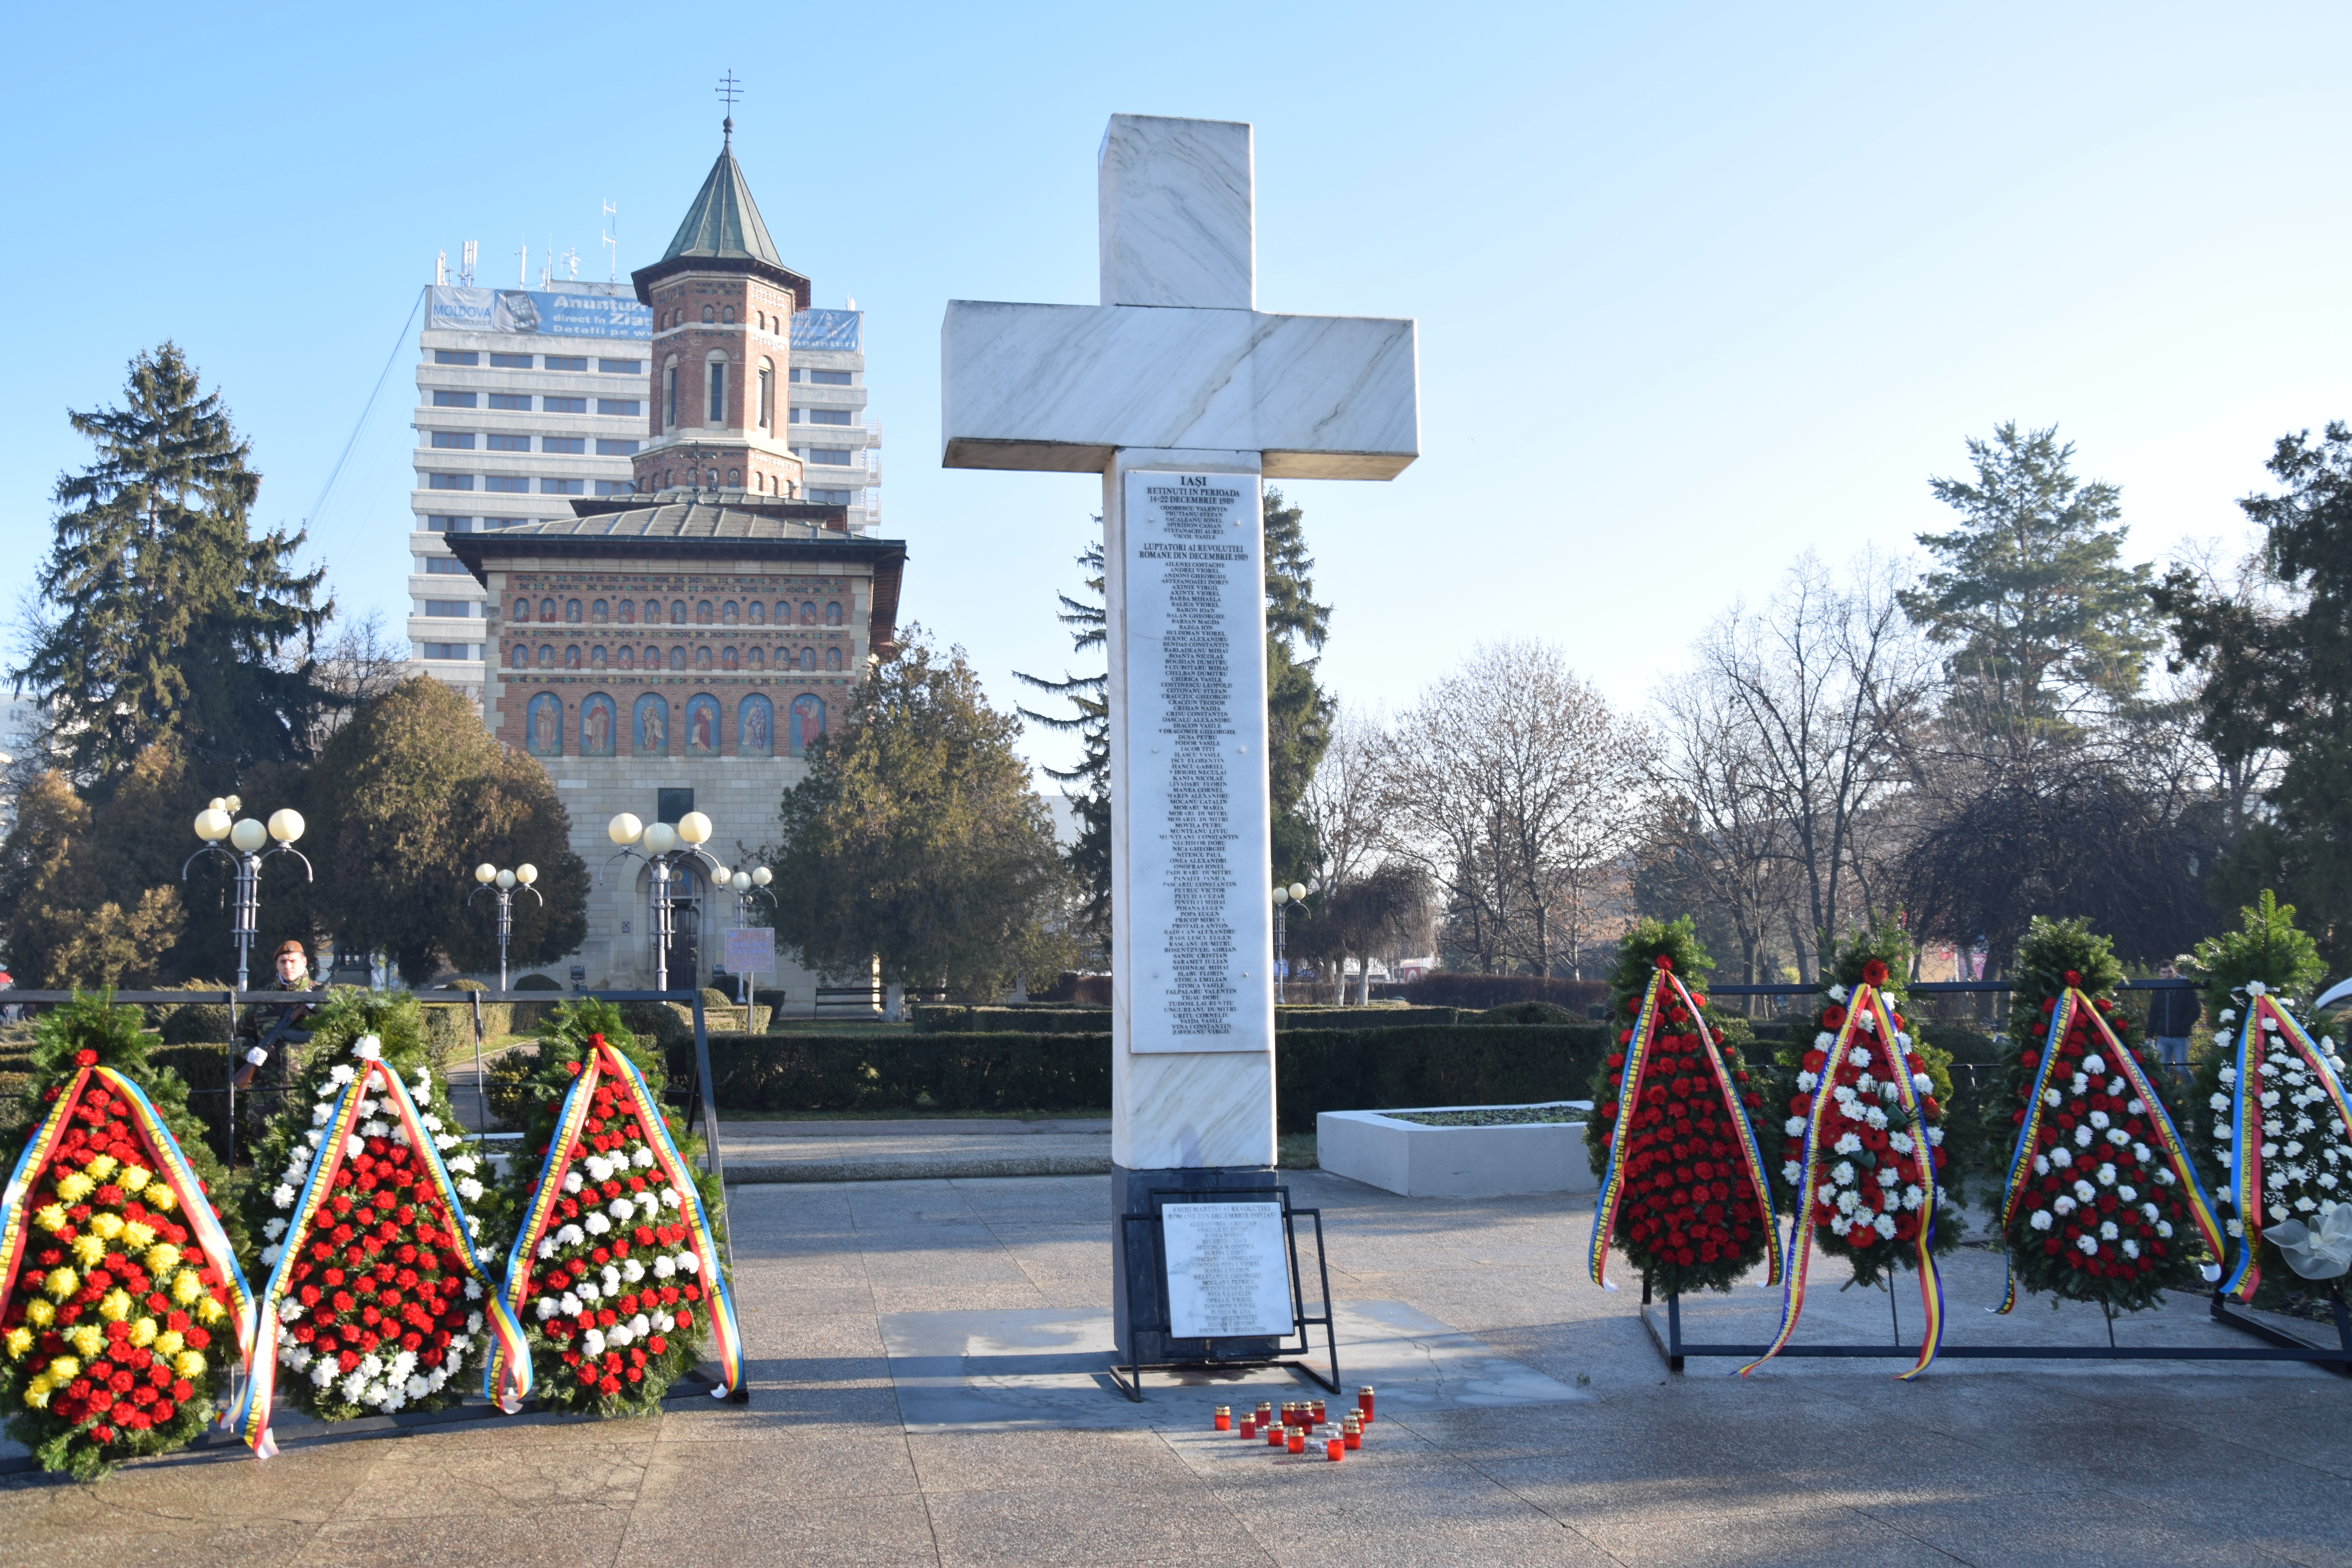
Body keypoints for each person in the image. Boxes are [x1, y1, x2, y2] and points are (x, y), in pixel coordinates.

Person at [236, 940, 318, 1098]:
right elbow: (241, 1034)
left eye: (293, 961)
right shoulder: (262, 999)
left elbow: (342, 1029)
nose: (288, 967)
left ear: (304, 962)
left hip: (309, 1095)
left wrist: (319, 1006)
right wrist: (249, 1052)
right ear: (277, 965)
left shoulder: (324, 996)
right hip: (266, 1098)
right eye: (283, 962)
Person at [2147, 962, 2198, 1073]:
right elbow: (2154, 1013)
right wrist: (2149, 1035)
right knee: (2161, 1070)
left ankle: (2193, 1090)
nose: (2167, 975)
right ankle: (2166, 1090)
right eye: (2164, 972)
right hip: (2163, 1037)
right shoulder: (2158, 989)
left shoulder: (2186, 986)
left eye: (2170, 971)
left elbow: (2196, 1010)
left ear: (2176, 971)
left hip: (2180, 1036)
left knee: (2181, 1068)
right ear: (2160, 974)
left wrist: (2182, 1026)